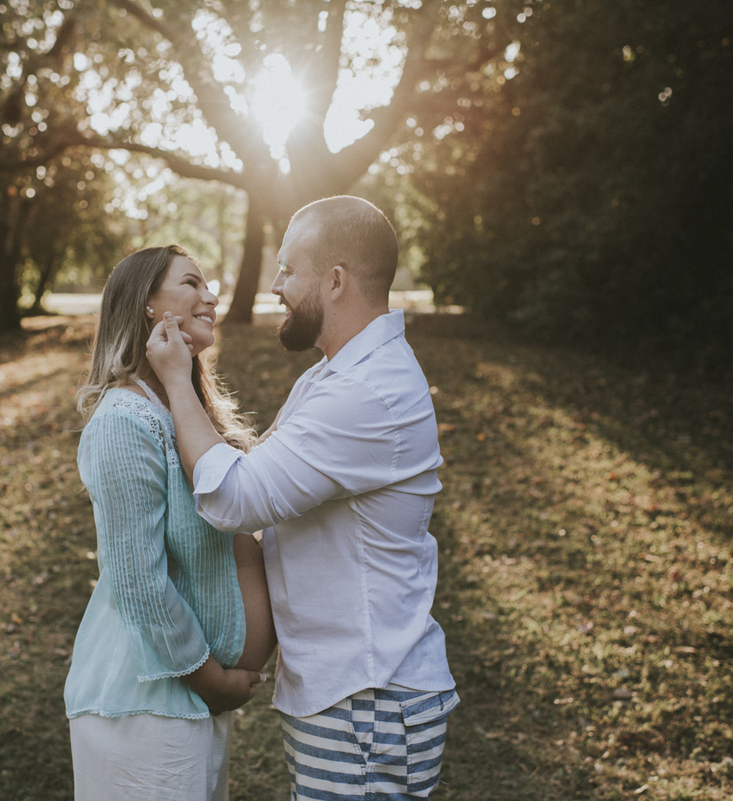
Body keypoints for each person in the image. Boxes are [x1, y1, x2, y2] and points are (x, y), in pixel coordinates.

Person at [146, 196, 459, 800]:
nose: (276, 286)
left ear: (335, 281)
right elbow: (258, 478)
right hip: (349, 695)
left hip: (365, 698)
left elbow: (235, 497)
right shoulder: (332, 376)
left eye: (288, 270)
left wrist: (177, 381)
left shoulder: (367, 392)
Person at [63, 245, 275, 801]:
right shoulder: (122, 422)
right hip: (145, 703)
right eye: (191, 283)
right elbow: (139, 584)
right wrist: (213, 679)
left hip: (186, 701)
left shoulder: (179, 413)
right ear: (147, 307)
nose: (211, 296)